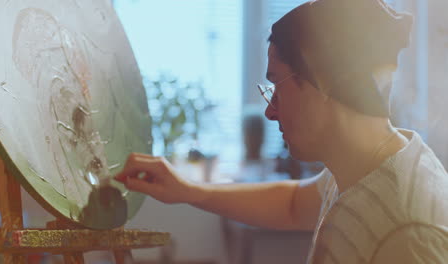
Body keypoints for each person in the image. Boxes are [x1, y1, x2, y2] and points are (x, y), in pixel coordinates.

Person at [115, 0, 448, 263]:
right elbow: (293, 204)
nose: (270, 111)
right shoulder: (362, 163)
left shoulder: (409, 233)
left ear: (325, 81)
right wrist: (188, 190)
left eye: (277, 85)